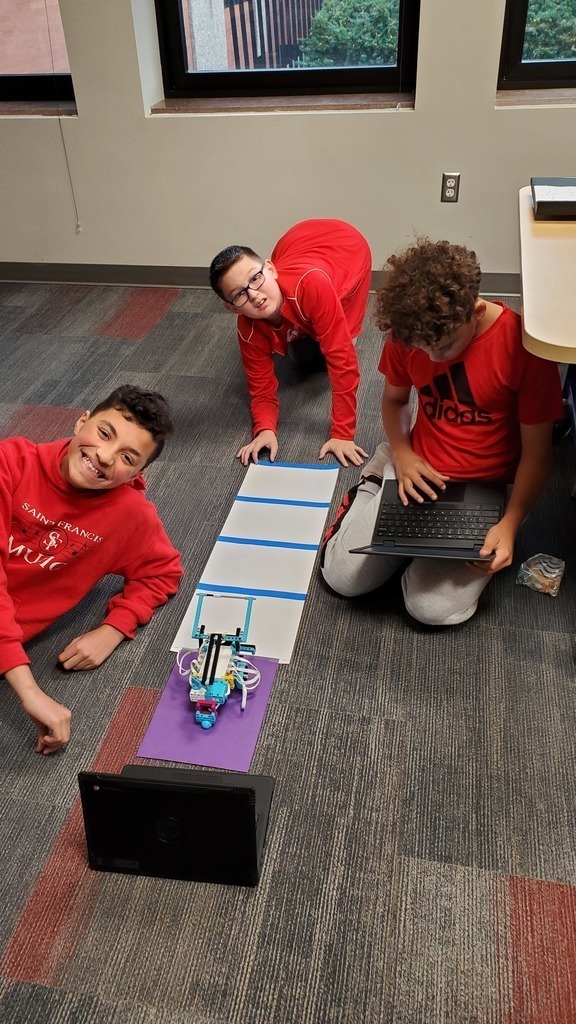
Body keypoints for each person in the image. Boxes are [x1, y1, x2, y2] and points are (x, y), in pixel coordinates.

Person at [321, 239, 564, 625]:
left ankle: (415, 539)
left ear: (476, 311)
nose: (433, 358)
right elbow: (395, 401)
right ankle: (379, 476)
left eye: (446, 346)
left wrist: (511, 522)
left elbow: (537, 454)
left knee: (430, 611)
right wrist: (402, 453)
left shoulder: (523, 348)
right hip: (418, 468)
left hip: (488, 487)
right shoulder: (409, 332)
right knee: (341, 579)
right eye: (423, 348)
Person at [1, 385, 183, 755]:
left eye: (127, 457)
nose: (104, 456)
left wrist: (114, 629)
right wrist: (29, 690)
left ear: (138, 473)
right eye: (104, 433)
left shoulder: (130, 515)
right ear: (82, 420)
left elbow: (163, 572)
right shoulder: (12, 461)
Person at [209, 219, 372, 467]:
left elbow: (344, 364)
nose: (255, 295)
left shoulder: (313, 284)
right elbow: (261, 389)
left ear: (270, 269)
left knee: (331, 355)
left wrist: (342, 434)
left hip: (348, 252)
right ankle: (303, 326)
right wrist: (265, 429)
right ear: (232, 308)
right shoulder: (247, 329)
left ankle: (317, 323)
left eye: (255, 279)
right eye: (240, 294)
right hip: (295, 245)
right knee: (303, 359)